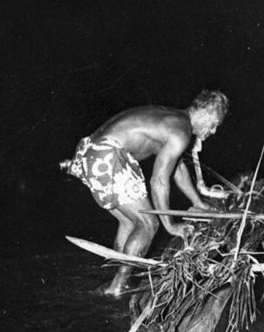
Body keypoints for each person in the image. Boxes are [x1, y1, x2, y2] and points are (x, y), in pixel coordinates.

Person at [68, 89, 229, 296]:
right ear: (206, 114)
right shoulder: (180, 131)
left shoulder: (175, 120)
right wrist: (170, 225)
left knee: (130, 222)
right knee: (148, 223)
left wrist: (199, 203)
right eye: (215, 124)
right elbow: (159, 181)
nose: (213, 131)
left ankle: (118, 279)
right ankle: (118, 284)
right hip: (107, 155)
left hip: (88, 153)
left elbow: (178, 169)